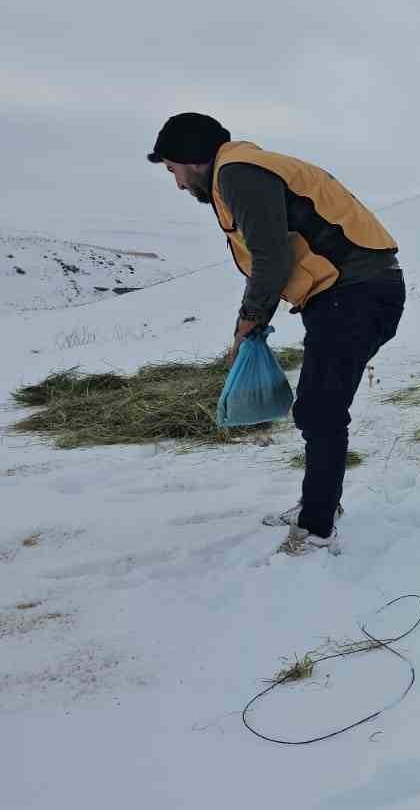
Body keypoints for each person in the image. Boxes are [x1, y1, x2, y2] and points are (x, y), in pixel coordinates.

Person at [147, 112, 405, 555]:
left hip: (356, 293)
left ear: (191, 159)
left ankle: (318, 527)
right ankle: (319, 504)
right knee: (319, 409)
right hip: (346, 293)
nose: (176, 183)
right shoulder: (243, 169)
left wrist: (248, 323)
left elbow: (270, 259)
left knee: (320, 411)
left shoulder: (239, 174)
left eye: (173, 170)